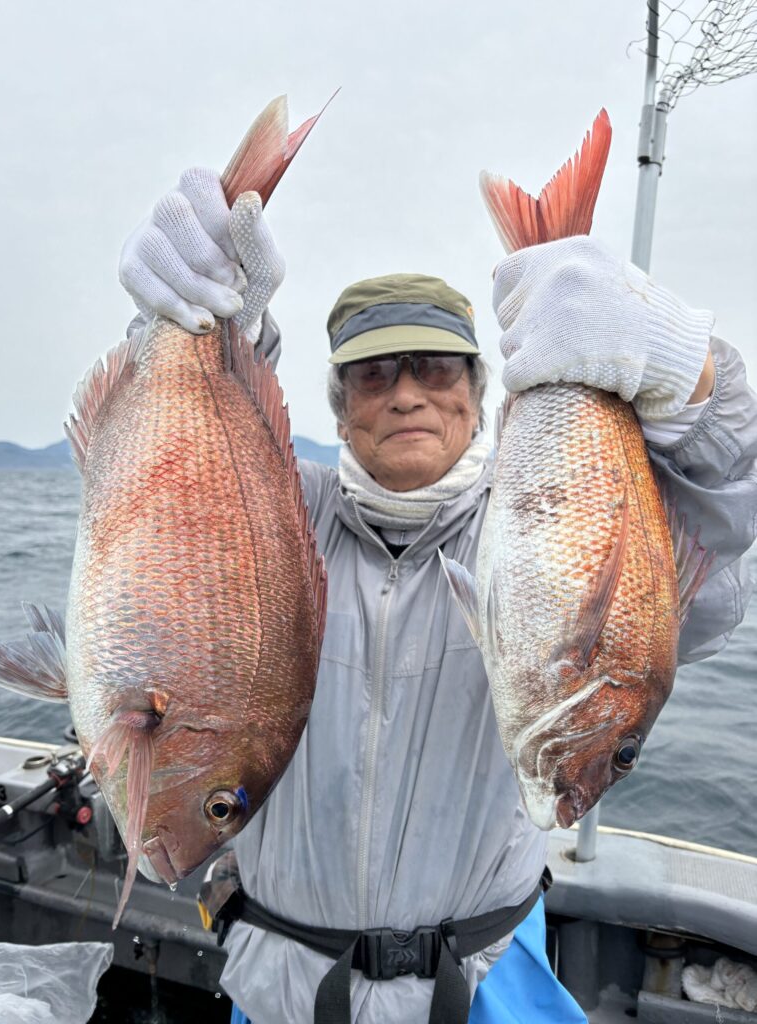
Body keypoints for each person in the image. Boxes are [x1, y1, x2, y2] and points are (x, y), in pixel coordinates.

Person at [119, 169, 757, 1024]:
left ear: (478, 395)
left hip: (486, 984)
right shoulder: (266, 511)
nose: (407, 393)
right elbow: (163, 505)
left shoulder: (548, 517)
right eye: (374, 374)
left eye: (435, 368)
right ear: (339, 409)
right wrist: (201, 324)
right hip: (281, 993)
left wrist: (683, 365)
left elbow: (720, 520)